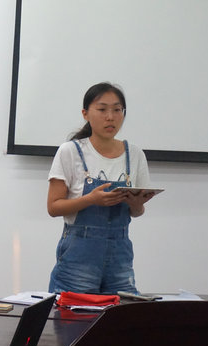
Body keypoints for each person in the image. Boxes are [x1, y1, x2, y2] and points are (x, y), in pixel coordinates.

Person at [47, 82, 153, 295]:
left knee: (122, 312)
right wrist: (90, 200)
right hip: (78, 259)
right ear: (85, 114)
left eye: (117, 110)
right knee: (74, 314)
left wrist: (136, 204)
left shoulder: (135, 154)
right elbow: (53, 207)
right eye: (102, 109)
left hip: (120, 258)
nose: (110, 117)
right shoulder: (70, 151)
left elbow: (137, 212)